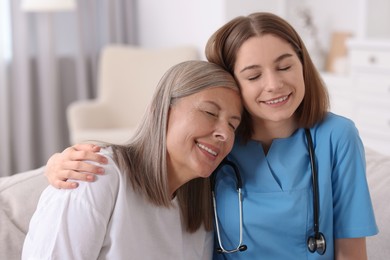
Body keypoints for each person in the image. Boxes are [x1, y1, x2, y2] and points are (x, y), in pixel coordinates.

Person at [43, 12, 378, 259]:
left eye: (285, 66)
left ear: (303, 65)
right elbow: (150, 160)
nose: (274, 85)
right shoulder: (218, 148)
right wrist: (57, 164)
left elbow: (352, 251)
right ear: (233, 83)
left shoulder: (338, 136)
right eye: (253, 75)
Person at [22, 60, 243, 259]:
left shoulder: (198, 214)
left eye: (233, 125)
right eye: (210, 113)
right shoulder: (95, 174)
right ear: (162, 111)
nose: (225, 133)